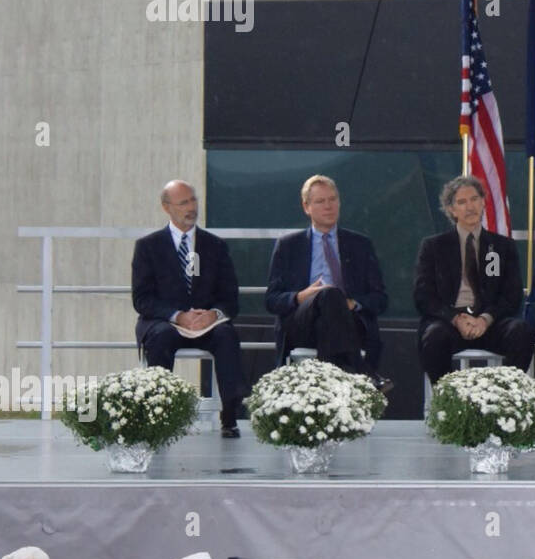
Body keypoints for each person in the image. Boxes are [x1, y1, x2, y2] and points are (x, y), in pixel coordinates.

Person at [132, 180, 248, 438]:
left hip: (206, 323)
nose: (191, 207)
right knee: (161, 337)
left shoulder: (215, 246)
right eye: (184, 202)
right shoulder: (147, 247)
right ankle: (158, 416)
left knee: (226, 336)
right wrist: (177, 316)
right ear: (166, 207)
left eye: (193, 200)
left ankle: (230, 416)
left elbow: (230, 299)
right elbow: (142, 299)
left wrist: (213, 315)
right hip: (165, 321)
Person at [265, 175, 392, 393]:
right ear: (306, 207)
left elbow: (380, 298)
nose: (328, 206)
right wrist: (300, 297)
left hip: (349, 322)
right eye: (320, 201)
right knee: (328, 295)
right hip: (303, 323)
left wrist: (352, 303)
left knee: (330, 306)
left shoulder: (360, 245)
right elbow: (272, 299)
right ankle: (364, 373)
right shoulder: (288, 246)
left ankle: (328, 399)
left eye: (332, 199)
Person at [415, 175, 535, 384]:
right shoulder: (434, 247)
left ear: (483, 202)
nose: (469, 207)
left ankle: (504, 395)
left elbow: (511, 295)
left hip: (490, 322)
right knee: (434, 337)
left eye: (474, 199)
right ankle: (449, 398)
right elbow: (424, 296)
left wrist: (485, 319)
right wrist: (456, 318)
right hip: (450, 323)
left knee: (521, 331)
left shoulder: (501, 247)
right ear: (451, 210)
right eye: (461, 202)